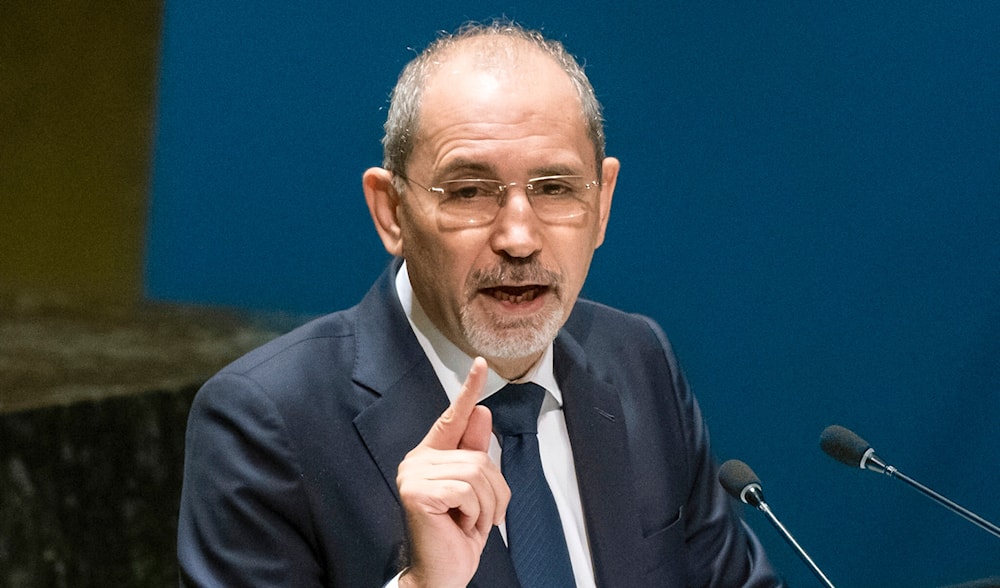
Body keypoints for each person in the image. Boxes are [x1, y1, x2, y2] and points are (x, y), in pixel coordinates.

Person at [177, 21, 782, 587]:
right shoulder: (267, 421)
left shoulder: (638, 360)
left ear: (602, 205)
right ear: (391, 211)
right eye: (468, 192)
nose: (518, 238)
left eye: (554, 189)